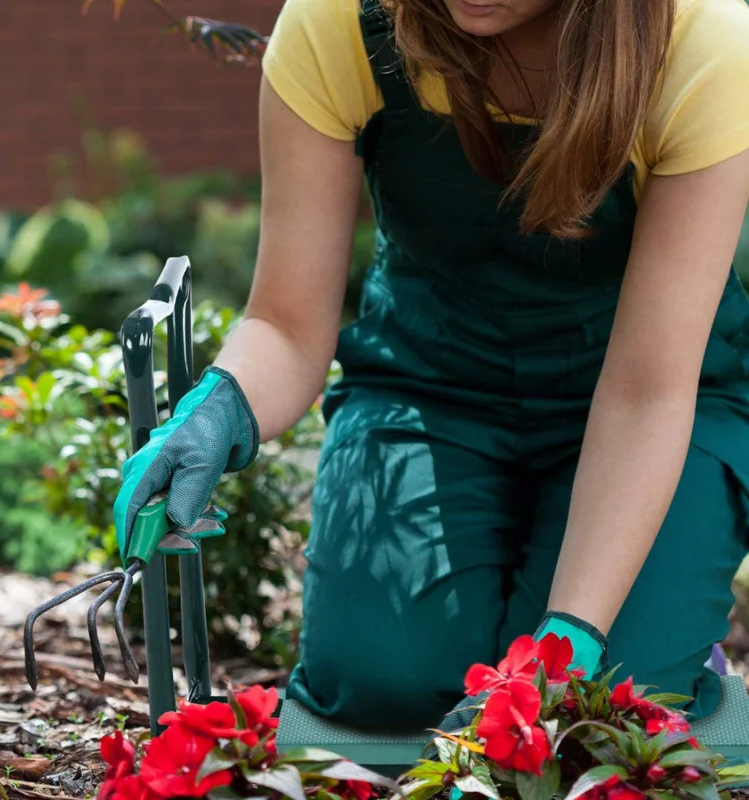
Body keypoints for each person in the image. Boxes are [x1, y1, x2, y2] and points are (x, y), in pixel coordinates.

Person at [114, 0, 749, 733]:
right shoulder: (341, 24)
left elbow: (645, 390)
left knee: (601, 705)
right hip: (430, 384)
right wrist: (217, 408)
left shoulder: (699, 43)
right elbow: (285, 324)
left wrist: (572, 634)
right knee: (382, 683)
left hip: (653, 405)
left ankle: (662, 636)